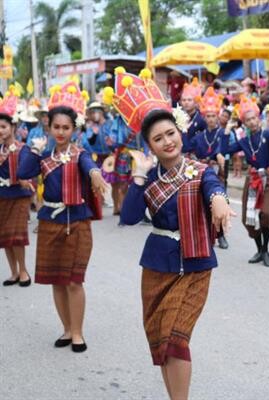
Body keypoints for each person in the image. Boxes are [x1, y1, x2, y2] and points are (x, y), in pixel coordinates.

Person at [115, 68, 234, 400]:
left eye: (170, 133)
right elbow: (129, 217)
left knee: (177, 338)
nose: (167, 142)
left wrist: (220, 201)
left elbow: (213, 188)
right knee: (162, 339)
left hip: (195, 265)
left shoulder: (200, 171)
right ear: (150, 145)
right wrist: (138, 176)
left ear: (179, 131)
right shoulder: (150, 177)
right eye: (158, 138)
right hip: (157, 265)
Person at [18, 82, 108, 353]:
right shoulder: (43, 156)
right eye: (56, 127)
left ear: (73, 129)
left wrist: (95, 175)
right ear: (48, 128)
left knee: (73, 280)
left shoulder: (80, 155)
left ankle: (78, 332)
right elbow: (24, 172)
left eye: (65, 127)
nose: (60, 132)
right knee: (56, 279)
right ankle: (66, 329)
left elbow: (90, 167)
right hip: (49, 222)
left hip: (77, 222)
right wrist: (34, 149)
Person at [221, 95, 269, 267]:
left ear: (258, 118)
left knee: (266, 214)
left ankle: (266, 249)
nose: (252, 122)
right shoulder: (244, 141)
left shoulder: (267, 134)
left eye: (254, 118)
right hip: (253, 179)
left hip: (268, 179)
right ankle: (260, 249)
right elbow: (225, 150)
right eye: (248, 120)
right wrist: (227, 131)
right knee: (250, 218)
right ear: (244, 123)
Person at [0, 90, 33, 286]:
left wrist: (24, 178)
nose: (0, 131)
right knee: (4, 236)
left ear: (12, 126)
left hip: (19, 195)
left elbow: (30, 171)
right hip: (2, 195)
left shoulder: (23, 148)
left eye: (3, 127)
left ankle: (23, 271)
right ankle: (13, 272)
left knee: (17, 236)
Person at [192, 87, 229, 250]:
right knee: (202, 203)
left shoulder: (223, 133)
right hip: (201, 171)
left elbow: (224, 149)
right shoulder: (199, 135)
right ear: (204, 117)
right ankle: (207, 234)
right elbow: (187, 146)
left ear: (218, 116)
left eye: (214, 116)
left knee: (218, 201)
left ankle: (221, 235)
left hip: (217, 171)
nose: (211, 119)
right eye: (208, 116)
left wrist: (217, 156)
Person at [179, 77, 207, 154]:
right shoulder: (178, 116)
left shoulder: (201, 119)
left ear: (195, 102)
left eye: (189, 100)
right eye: (184, 100)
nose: (186, 102)